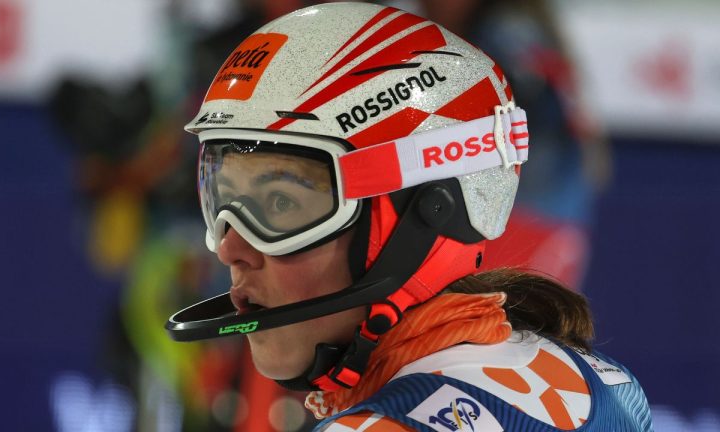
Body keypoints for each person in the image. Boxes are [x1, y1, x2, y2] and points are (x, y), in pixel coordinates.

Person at [165, 2, 653, 431]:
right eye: (222, 202)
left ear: (425, 214)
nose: (231, 246)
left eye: (281, 204)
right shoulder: (610, 386)